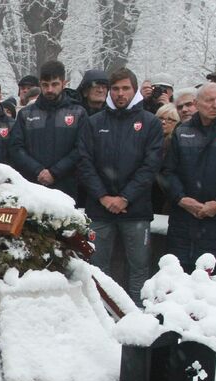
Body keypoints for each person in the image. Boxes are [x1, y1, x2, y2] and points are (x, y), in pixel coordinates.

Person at [78, 68, 163, 306]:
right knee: (97, 267)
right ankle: (101, 313)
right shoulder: (94, 123)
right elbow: (85, 163)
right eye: (115, 89)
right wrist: (104, 197)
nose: (120, 93)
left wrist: (125, 198)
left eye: (125, 88)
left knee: (139, 268)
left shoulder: (150, 123)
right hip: (100, 209)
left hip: (135, 210)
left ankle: (137, 316)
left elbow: (150, 166)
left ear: (134, 90)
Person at [160, 83, 216, 273]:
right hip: (184, 219)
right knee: (179, 276)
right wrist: (181, 198)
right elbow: (168, 171)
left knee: (215, 277)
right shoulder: (182, 131)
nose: (215, 105)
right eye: (210, 100)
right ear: (197, 103)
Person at [9, 60, 86, 200]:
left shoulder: (77, 112)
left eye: (54, 84)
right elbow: (16, 148)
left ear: (64, 83)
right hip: (32, 187)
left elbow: (81, 149)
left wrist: (55, 172)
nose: (50, 89)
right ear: (40, 84)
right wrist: (38, 170)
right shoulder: (26, 114)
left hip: (66, 188)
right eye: (45, 85)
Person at [152, 103, 180, 215]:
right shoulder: (149, 141)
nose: (163, 122)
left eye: (170, 120)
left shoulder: (175, 145)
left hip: (166, 195)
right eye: (161, 118)